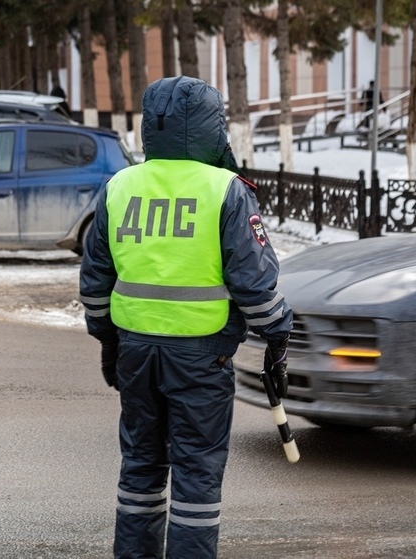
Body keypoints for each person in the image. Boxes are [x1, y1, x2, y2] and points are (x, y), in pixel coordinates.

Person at [79, 76, 293, 559]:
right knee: (196, 479)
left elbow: (95, 283)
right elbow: (256, 288)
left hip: (135, 352)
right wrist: (280, 333)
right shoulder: (225, 190)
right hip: (201, 358)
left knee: (140, 469)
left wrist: (109, 345)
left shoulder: (120, 186)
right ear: (212, 127)